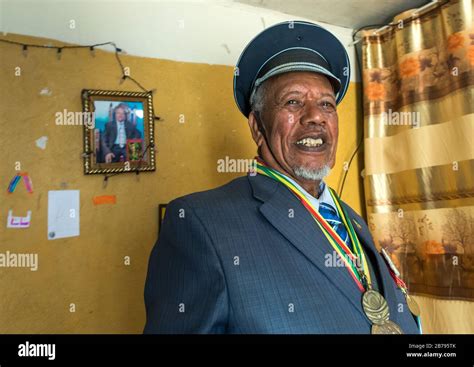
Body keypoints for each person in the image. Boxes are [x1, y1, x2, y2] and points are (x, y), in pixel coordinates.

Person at [143, 21, 421, 334]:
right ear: (258, 128)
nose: (316, 116)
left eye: (327, 104)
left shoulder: (352, 221)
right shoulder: (200, 224)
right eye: (293, 101)